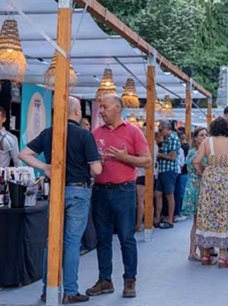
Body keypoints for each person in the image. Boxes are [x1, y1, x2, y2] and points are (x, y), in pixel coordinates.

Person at [19, 96, 101, 304]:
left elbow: (24, 154)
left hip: (56, 191)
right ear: (77, 112)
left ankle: (49, 289)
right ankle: (70, 291)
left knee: (52, 241)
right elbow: (96, 170)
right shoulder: (85, 135)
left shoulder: (49, 133)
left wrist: (45, 167)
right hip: (78, 191)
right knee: (72, 243)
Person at [86, 94, 151, 299]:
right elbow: (88, 165)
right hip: (100, 190)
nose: (101, 111)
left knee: (126, 237)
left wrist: (125, 158)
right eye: (100, 107)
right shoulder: (95, 133)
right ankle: (104, 280)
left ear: (117, 108)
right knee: (103, 238)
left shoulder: (133, 131)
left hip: (124, 191)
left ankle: (129, 280)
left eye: (104, 107)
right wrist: (96, 163)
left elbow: (147, 161)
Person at [194, 117, 228, 267]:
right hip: (227, 184)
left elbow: (196, 160)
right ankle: (223, 257)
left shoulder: (206, 142)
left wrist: (203, 171)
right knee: (225, 217)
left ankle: (205, 255)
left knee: (207, 215)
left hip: (209, 183)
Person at [183, 127, 208, 261]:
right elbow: (200, 171)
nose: (204, 137)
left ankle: (197, 250)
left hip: (199, 186)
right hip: (196, 187)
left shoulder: (201, 152)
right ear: (196, 138)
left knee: (198, 221)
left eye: (206, 135)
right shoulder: (195, 153)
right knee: (198, 221)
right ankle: (193, 251)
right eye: (201, 135)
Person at [154, 120, 181, 229]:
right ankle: (157, 217)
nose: (159, 131)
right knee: (157, 194)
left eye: (161, 130)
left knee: (169, 195)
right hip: (161, 170)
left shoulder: (173, 139)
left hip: (169, 170)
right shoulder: (164, 139)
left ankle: (170, 219)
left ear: (167, 128)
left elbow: (172, 157)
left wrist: (160, 155)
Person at [174, 128, 190, 223]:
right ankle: (181, 210)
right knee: (181, 191)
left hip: (183, 172)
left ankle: (181, 210)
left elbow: (183, 162)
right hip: (183, 172)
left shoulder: (183, 148)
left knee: (181, 192)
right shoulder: (185, 147)